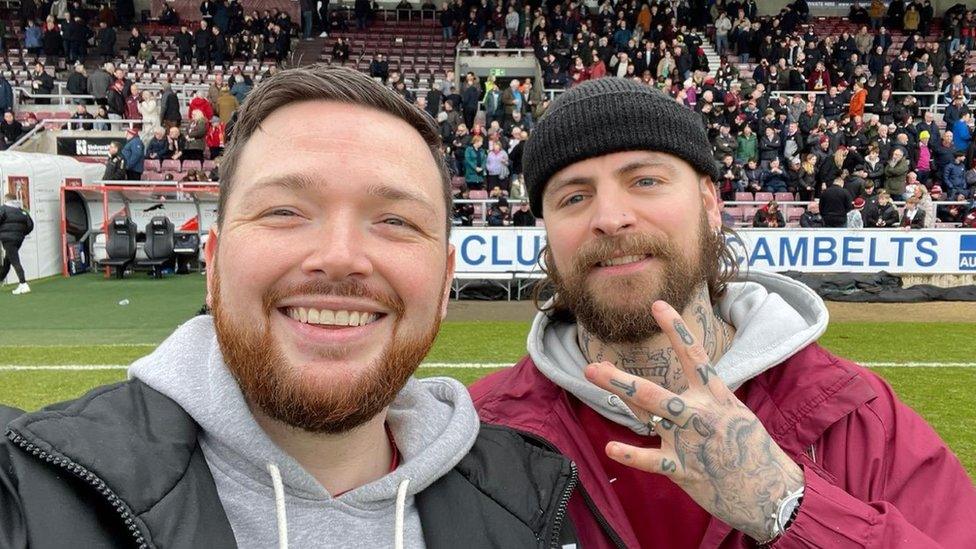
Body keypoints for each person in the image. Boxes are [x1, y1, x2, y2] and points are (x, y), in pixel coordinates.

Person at [0, 64, 579, 547]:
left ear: (446, 277)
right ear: (214, 262)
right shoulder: (34, 490)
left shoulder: (533, 501)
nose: (340, 257)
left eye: (396, 221)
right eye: (284, 211)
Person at [470, 78, 976, 548]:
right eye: (574, 196)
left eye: (645, 181)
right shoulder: (476, 437)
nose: (610, 218)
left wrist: (789, 506)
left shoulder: (858, 419)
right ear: (547, 233)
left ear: (710, 203)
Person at [0, 193, 33, 295]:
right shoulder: (22, 211)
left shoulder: (3, 209)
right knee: (8, 260)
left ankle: (23, 283)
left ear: (6, 200)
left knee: (14, 261)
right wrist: (21, 234)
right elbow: (30, 225)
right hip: (19, 239)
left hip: (7, 239)